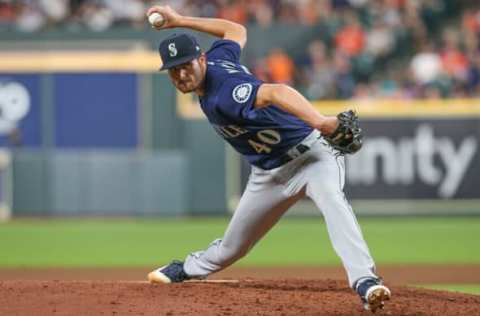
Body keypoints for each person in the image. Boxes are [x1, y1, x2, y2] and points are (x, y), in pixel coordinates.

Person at [146, 5, 391, 312]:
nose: (181, 73)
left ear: (202, 59)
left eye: (186, 65)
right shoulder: (219, 59)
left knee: (332, 201)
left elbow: (275, 92)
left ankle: (365, 282)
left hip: (311, 158)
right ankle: (187, 268)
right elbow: (236, 31)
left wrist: (319, 121)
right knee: (233, 247)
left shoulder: (226, 92)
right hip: (268, 173)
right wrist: (180, 21)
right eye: (174, 68)